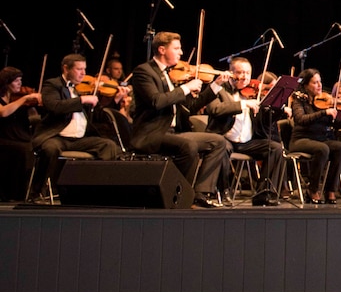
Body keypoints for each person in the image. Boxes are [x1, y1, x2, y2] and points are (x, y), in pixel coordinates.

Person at [129, 31, 231, 208]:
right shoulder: (143, 72)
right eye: (176, 48)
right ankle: (178, 192)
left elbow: (189, 107)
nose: (181, 52)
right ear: (161, 49)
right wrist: (185, 88)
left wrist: (216, 85)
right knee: (188, 146)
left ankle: (199, 193)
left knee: (218, 142)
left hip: (173, 133)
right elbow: (156, 101)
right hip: (151, 133)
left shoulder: (169, 75)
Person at [30, 53, 122, 197]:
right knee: (50, 149)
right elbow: (54, 106)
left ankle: (96, 190)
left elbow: (97, 116)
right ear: (66, 69)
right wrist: (82, 100)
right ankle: (39, 192)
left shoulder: (80, 89)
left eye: (84, 69)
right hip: (57, 137)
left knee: (108, 146)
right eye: (79, 69)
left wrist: (115, 100)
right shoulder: (53, 85)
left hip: (79, 140)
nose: (84, 74)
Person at [204, 56, 285, 203]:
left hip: (247, 142)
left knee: (275, 148)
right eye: (240, 73)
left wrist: (278, 107)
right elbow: (214, 109)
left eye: (247, 73)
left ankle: (264, 193)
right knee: (222, 147)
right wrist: (243, 105)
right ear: (230, 72)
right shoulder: (218, 89)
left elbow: (266, 122)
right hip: (224, 138)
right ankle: (223, 191)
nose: (244, 77)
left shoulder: (253, 93)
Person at [288, 69, 341, 205]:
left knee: (340, 147)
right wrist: (323, 113)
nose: (319, 85)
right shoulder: (298, 101)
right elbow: (301, 119)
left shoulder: (324, 101)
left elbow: (335, 125)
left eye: (320, 82)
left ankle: (330, 190)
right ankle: (312, 189)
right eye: (315, 82)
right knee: (322, 149)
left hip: (320, 139)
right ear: (306, 85)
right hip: (301, 140)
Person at [0, 66, 42, 201]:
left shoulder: (17, 98)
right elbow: (3, 112)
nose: (20, 83)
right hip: (3, 138)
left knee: (32, 146)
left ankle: (28, 193)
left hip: (19, 137)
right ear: (6, 82)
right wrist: (24, 99)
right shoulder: (13, 100)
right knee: (22, 150)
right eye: (16, 80)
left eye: (21, 80)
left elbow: (34, 117)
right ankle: (13, 194)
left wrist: (35, 105)